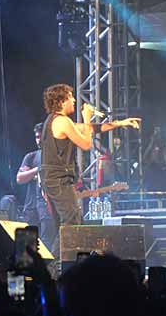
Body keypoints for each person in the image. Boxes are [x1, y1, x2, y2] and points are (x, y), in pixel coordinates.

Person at [38, 84, 140, 236]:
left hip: (54, 179)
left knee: (70, 222)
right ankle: (60, 253)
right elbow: (86, 144)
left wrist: (120, 123)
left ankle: (61, 252)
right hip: (58, 179)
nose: (74, 100)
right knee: (72, 222)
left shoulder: (56, 120)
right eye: (70, 97)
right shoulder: (62, 121)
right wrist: (87, 117)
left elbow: (90, 128)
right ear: (61, 101)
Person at [16, 123, 56, 254]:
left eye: (41, 137)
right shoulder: (31, 157)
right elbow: (19, 178)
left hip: (47, 207)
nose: (38, 140)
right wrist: (37, 169)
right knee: (28, 246)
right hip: (31, 208)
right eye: (37, 137)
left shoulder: (56, 157)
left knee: (46, 243)